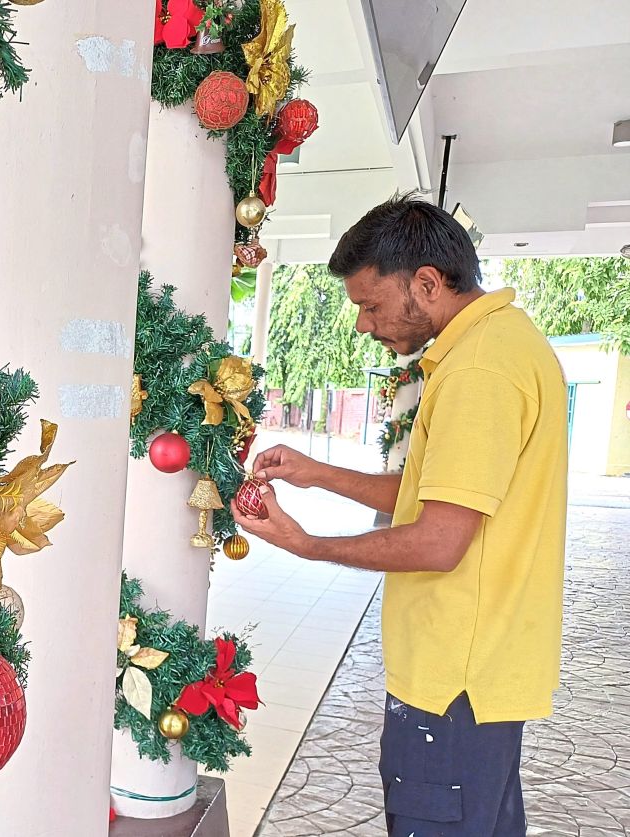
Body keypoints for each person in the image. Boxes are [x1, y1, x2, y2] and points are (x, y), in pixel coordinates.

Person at [233, 194, 567, 837]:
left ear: (426, 283)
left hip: (454, 685)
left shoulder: (480, 370)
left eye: (370, 304)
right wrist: (317, 473)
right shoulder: (501, 344)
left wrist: (310, 547)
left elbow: (439, 540)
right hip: (479, 674)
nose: (364, 324)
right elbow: (432, 496)